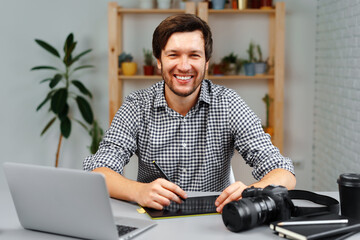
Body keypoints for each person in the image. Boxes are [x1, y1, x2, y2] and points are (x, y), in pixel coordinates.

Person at [83, 14, 296, 213]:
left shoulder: (228, 103)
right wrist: (139, 191)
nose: (184, 66)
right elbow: (100, 171)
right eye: (173, 55)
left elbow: (283, 172)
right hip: (153, 221)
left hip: (216, 222)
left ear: (206, 62)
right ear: (159, 61)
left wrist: (252, 192)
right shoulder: (136, 106)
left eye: (194, 55)